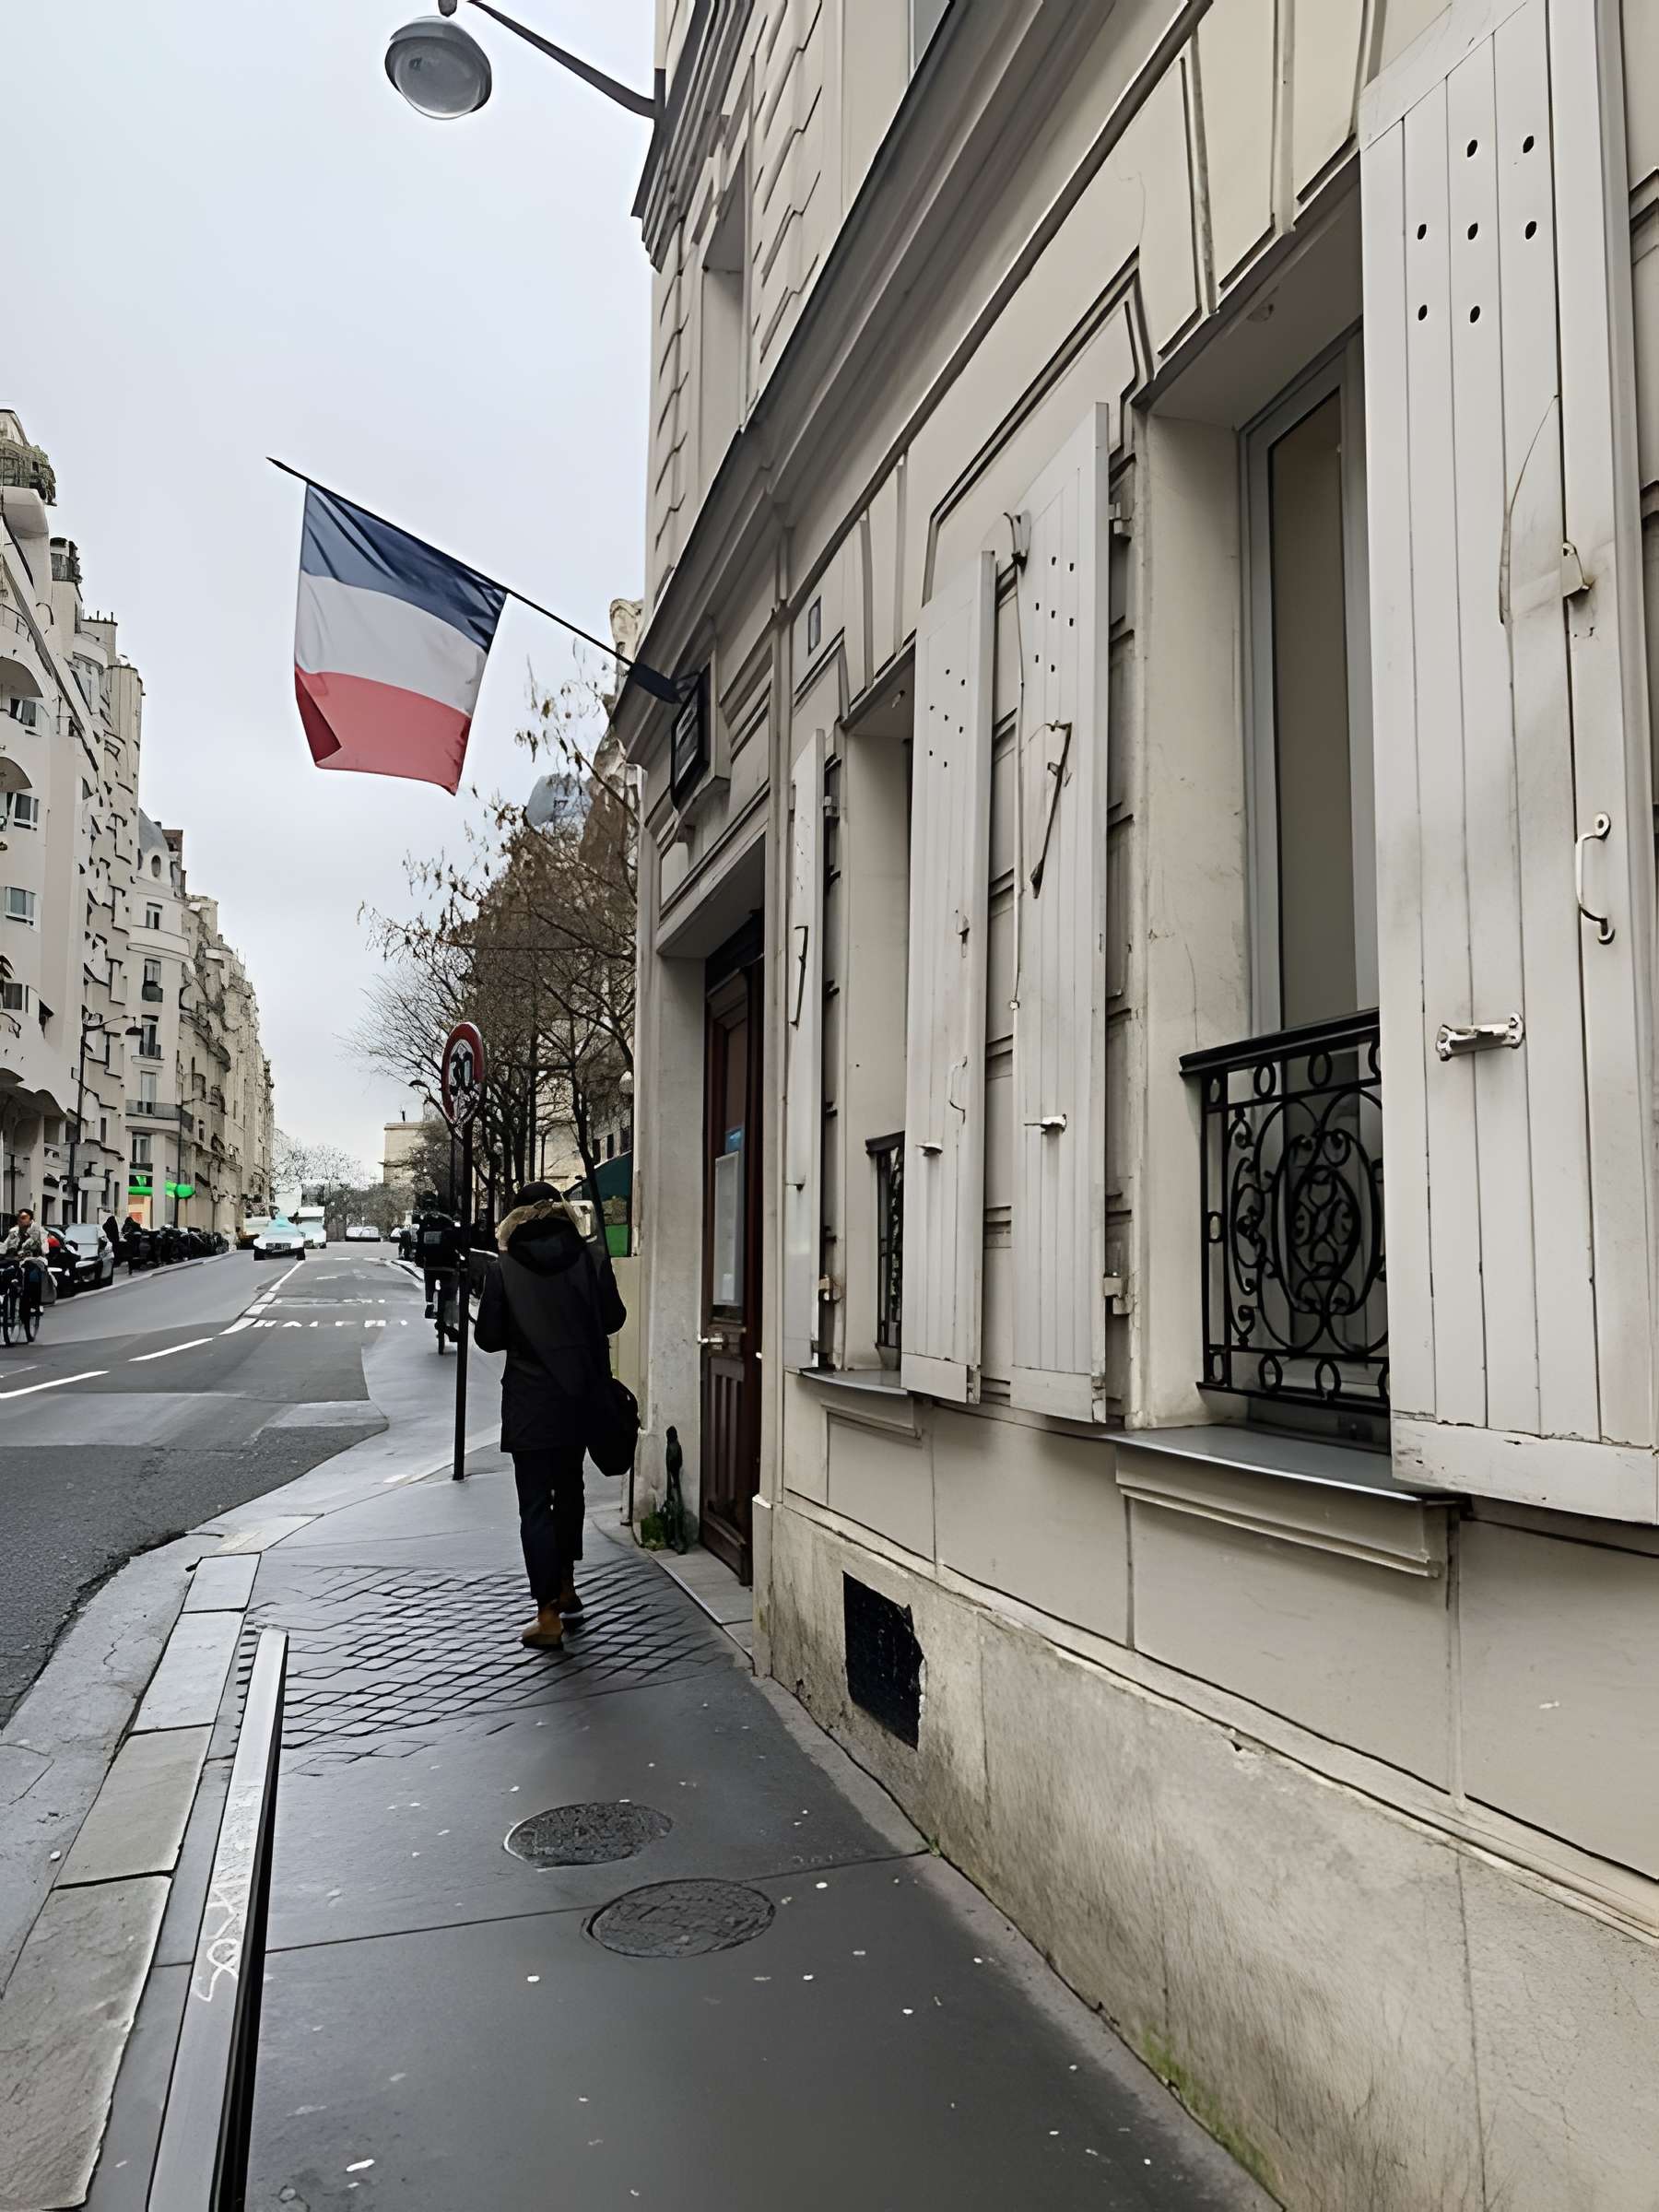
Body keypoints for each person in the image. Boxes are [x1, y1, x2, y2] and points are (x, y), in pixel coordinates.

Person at [473, 1182, 626, 1652]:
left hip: (531, 1403)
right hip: (580, 1396)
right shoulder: (591, 1258)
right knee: (571, 1491)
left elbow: (488, 1339)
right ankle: (566, 1586)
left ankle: (547, 1616)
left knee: (536, 1505)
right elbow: (614, 1318)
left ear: (515, 1219)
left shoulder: (504, 1270)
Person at [1, 1208, 50, 1318]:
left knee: (32, 1275)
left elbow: (44, 1247)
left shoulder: (39, 1231)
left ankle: (35, 1303)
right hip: (17, 1260)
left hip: (35, 1259)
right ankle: (6, 1298)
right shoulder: (14, 1231)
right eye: (19, 1218)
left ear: (30, 1219)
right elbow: (5, 1245)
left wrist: (41, 1249)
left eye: (24, 1218)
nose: (21, 1220)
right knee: (6, 1273)